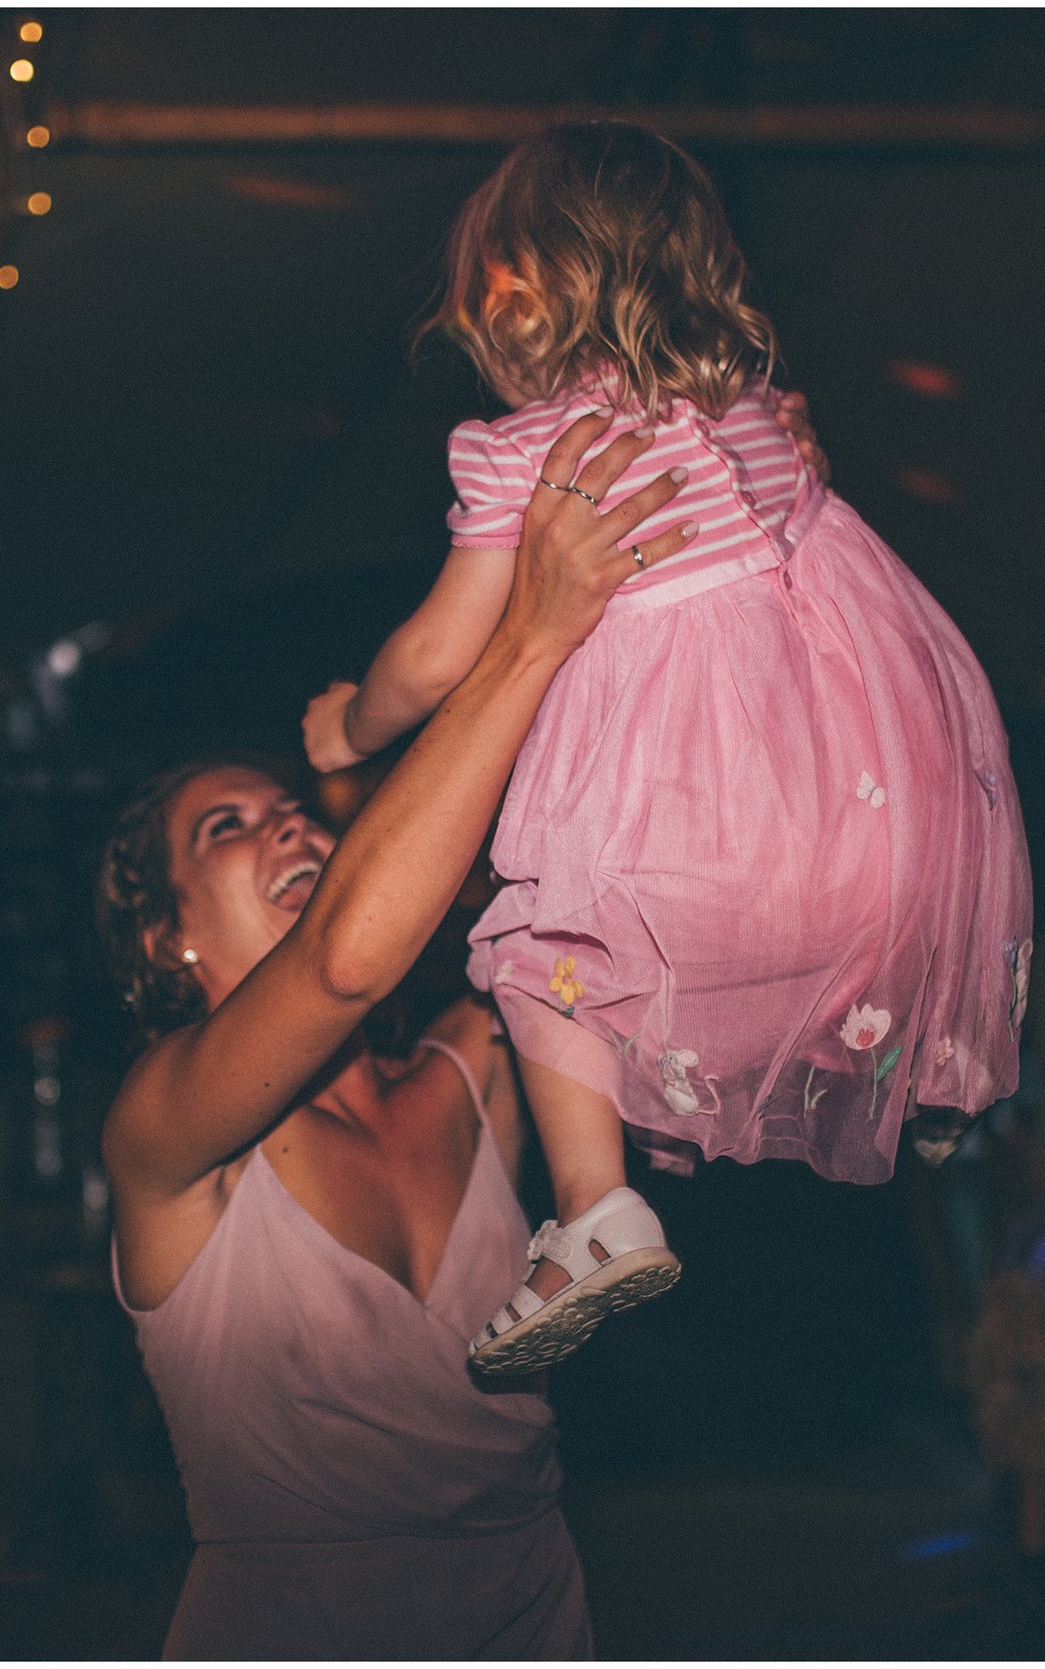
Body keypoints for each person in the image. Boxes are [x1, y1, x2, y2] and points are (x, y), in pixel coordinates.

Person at [301, 121, 1032, 1374]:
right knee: (849, 916)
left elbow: (435, 652)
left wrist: (349, 722)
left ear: (526, 284)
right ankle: (930, 1072)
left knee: (537, 956)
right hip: (870, 811)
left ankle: (594, 1212)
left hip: (691, 824)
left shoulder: (524, 449)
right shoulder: (756, 409)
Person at [99, 413, 695, 1659]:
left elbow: (588, 896)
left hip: (532, 1611)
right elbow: (341, 958)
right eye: (227, 829)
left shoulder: (477, 1063)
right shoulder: (168, 1133)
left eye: (292, 816)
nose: (288, 834)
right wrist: (530, 626)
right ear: (170, 941)